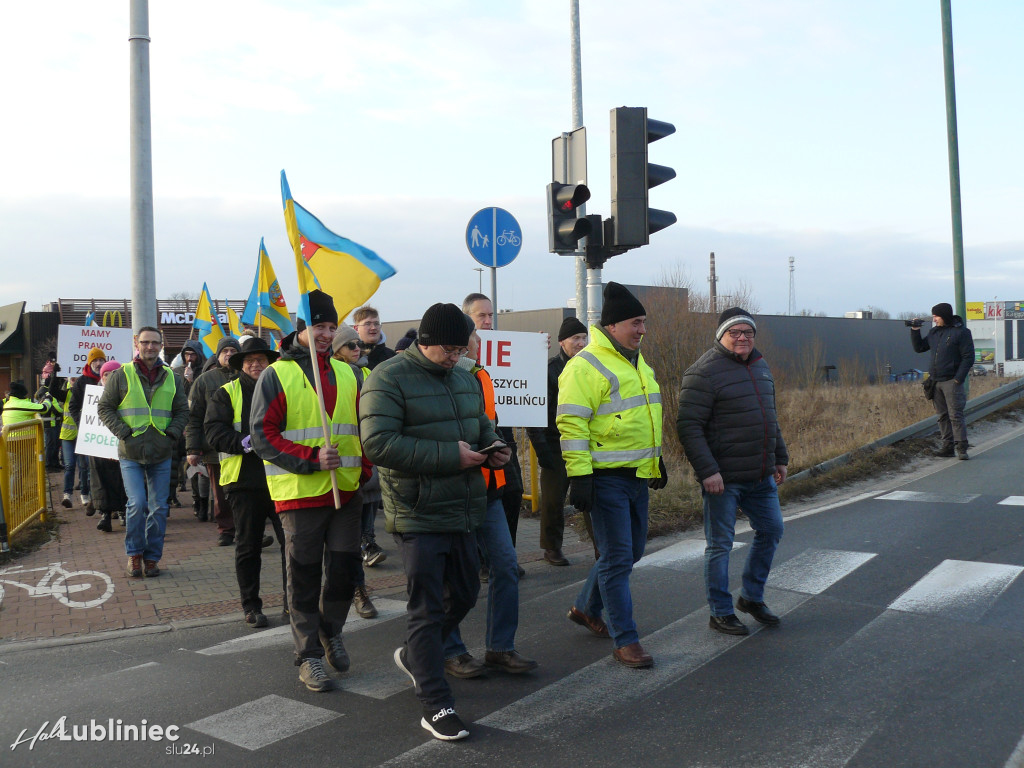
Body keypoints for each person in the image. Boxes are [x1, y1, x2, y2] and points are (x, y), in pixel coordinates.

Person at [360, 302, 508, 741]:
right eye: (449, 349)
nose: (456, 356)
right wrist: (450, 457)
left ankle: (415, 655)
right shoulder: (385, 379)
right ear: (425, 342)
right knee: (426, 607)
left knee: (463, 593)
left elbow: (481, 424)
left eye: (462, 349)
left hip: (463, 506)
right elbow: (378, 444)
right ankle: (436, 703)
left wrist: (494, 445)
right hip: (417, 510)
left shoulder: (463, 377)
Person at [250, 290, 370, 693]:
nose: (327, 334)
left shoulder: (348, 373)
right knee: (302, 576)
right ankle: (308, 657)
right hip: (300, 494)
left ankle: (330, 630)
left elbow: (361, 429)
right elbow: (262, 437)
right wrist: (311, 459)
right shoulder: (276, 374)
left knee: (343, 572)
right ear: (302, 327)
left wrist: (365, 468)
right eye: (319, 326)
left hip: (346, 493)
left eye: (332, 327)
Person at [559, 282, 666, 669]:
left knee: (632, 552)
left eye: (643, 323)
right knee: (619, 557)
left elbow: (643, 418)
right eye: (636, 323)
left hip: (637, 476)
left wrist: (655, 459)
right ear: (614, 325)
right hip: (605, 479)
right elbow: (571, 425)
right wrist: (581, 478)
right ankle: (626, 640)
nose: (642, 330)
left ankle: (586, 606)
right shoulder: (584, 366)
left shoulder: (638, 363)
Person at [677, 307, 788, 637]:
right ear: (721, 336)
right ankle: (720, 611)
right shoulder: (703, 372)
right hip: (723, 479)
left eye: (748, 333)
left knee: (772, 530)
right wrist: (708, 471)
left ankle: (751, 597)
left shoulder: (761, 366)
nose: (742, 338)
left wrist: (779, 456)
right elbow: (689, 426)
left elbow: (770, 417)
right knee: (720, 546)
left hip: (760, 474)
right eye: (735, 333)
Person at [443, 316, 537, 679]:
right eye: (473, 338)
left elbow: (488, 425)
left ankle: (500, 647)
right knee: (453, 576)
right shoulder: (444, 377)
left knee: (505, 565)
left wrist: (498, 448)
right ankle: (451, 650)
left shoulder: (480, 375)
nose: (476, 344)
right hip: (453, 491)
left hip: (489, 488)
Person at [205, 337, 288, 629]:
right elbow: (213, 431)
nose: (255, 365)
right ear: (240, 365)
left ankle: (292, 604)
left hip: (284, 479)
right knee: (248, 547)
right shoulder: (226, 393)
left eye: (261, 360)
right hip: (244, 481)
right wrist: (242, 442)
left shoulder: (284, 388)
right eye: (249, 360)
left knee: (291, 544)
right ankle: (251, 606)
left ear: (270, 362)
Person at [97, 326, 188, 579]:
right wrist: (123, 433)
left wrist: (171, 434)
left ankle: (151, 558)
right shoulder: (121, 374)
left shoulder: (172, 377)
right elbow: (105, 408)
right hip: (131, 452)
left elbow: (182, 411)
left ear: (161, 346)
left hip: (161, 452)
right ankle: (134, 554)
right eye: (145, 342)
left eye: (155, 343)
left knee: (159, 507)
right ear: (137, 344)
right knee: (137, 504)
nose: (150, 347)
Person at [462, 293, 526, 570]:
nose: (488, 321)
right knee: (484, 504)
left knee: (513, 494)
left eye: (491, 315)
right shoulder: (461, 361)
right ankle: (488, 561)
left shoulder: (502, 346)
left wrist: (534, 349)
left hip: (500, 438)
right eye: (481, 316)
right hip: (475, 449)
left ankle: (503, 557)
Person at [528, 316, 591, 566]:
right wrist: (543, 450)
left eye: (584, 338)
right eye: (575, 338)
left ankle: (601, 545)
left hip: (585, 441)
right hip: (556, 444)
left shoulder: (590, 367)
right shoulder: (550, 370)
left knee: (590, 495)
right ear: (561, 342)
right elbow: (537, 413)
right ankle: (551, 548)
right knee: (554, 500)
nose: (581, 343)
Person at [331, 323, 380, 620]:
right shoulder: (323, 374)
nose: (357, 349)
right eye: (350, 345)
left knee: (352, 541)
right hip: (320, 470)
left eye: (358, 344)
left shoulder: (364, 373)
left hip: (356, 468)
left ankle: (359, 590)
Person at [186, 337, 241, 544]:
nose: (229, 354)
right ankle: (226, 530)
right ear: (217, 355)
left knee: (244, 493)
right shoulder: (204, 381)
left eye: (233, 351)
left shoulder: (249, 376)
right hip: (214, 448)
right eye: (225, 351)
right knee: (220, 493)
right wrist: (192, 448)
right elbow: (194, 417)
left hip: (243, 447)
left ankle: (249, 529)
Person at [910, 302, 975, 460]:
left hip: (952, 381)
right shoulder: (934, 333)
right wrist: (915, 330)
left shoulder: (961, 332)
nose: (934, 319)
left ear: (944, 316)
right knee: (942, 416)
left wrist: (959, 378)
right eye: (933, 316)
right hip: (936, 381)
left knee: (955, 415)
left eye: (936, 316)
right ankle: (947, 447)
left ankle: (961, 447)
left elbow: (968, 357)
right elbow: (919, 348)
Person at [90, 361, 128, 533]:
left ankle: (123, 510)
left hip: (120, 445)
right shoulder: (93, 396)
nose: (110, 377)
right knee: (100, 479)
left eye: (114, 373)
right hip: (97, 445)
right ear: (101, 377)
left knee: (121, 478)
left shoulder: (127, 394)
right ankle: (105, 514)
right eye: (106, 374)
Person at [68, 346, 107, 513]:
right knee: (90, 468)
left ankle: (107, 502)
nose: (98, 363)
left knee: (108, 469)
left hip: (109, 432)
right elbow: (73, 406)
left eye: (101, 360)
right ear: (90, 363)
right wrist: (81, 423)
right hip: (90, 432)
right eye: (95, 360)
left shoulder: (111, 378)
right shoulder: (81, 382)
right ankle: (93, 500)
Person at [352, 305, 396, 370]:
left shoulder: (392, 357)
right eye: (368, 324)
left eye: (376, 323)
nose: (373, 328)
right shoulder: (350, 356)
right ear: (356, 328)